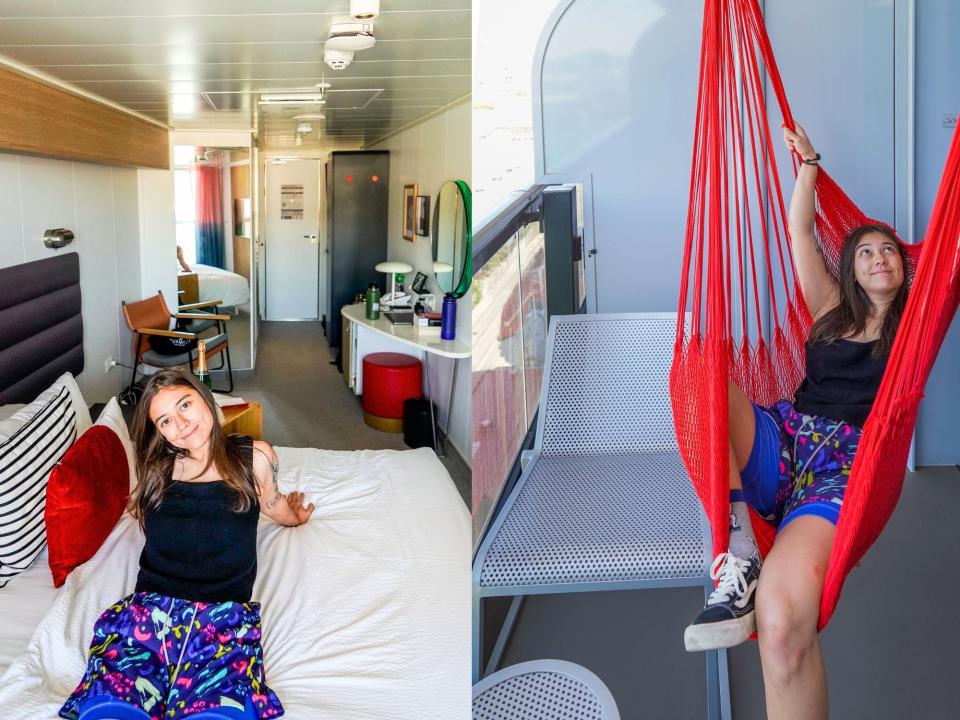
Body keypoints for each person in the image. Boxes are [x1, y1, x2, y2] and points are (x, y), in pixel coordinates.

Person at [683, 125, 910, 719]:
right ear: (852, 272)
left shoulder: (911, 333)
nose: (878, 257)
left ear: (907, 271)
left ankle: (760, 572)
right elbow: (800, 229)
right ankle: (739, 547)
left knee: (781, 632)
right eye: (865, 251)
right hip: (785, 441)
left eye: (888, 250)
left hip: (845, 473)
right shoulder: (831, 309)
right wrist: (809, 163)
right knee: (698, 369)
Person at [60, 368, 315, 720]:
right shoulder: (156, 469)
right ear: (158, 432)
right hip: (149, 616)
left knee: (216, 712)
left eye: (185, 404)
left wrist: (296, 516)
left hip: (223, 619)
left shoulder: (254, 458)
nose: (180, 424)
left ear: (205, 399)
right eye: (164, 420)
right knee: (111, 708)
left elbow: (271, 504)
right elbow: (147, 519)